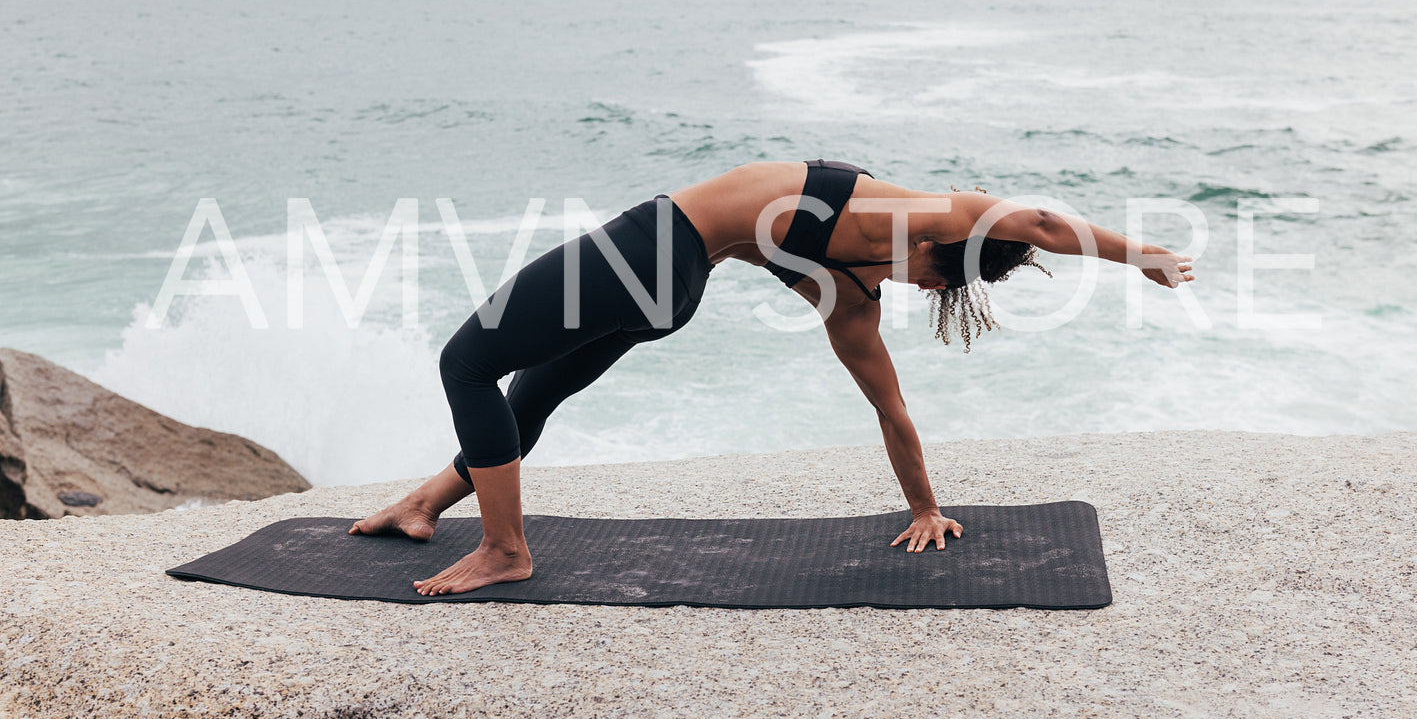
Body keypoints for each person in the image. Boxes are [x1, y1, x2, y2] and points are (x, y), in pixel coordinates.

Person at [351, 159, 1195, 595]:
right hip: (671, 292)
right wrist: (1142, 256)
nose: (929, 291)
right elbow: (1040, 223)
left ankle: (504, 549)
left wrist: (927, 508)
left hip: (653, 249)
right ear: (944, 250)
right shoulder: (892, 234)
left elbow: (891, 409)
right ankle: (426, 505)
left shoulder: (872, 257)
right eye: (941, 282)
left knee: (466, 363)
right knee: (531, 395)